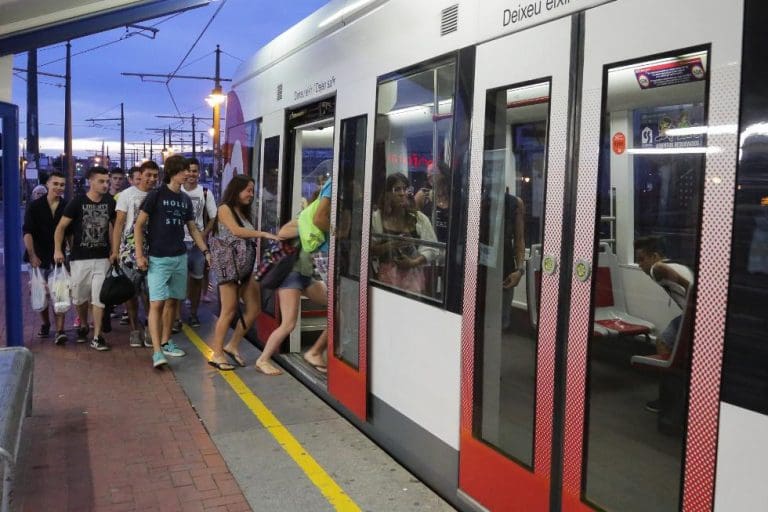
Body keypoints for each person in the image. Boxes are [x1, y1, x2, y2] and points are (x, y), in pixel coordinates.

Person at [134, 155, 211, 368]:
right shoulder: (156, 195)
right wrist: (140, 255)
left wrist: (205, 250)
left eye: (189, 170)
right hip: (158, 258)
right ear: (173, 172)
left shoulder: (184, 199)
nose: (188, 173)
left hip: (180, 256)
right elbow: (139, 225)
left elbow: (193, 228)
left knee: (173, 301)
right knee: (156, 302)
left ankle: (167, 342)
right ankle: (157, 351)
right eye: (184, 170)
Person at [207, 175, 278, 371]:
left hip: (245, 269)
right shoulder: (224, 209)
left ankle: (233, 344)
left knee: (254, 308)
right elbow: (236, 231)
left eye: (252, 190)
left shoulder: (244, 212)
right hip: (229, 269)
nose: (251, 194)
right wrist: (262, 234)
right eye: (248, 190)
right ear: (236, 190)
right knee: (228, 310)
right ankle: (217, 353)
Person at [53, 166, 117, 351]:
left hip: (102, 258)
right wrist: (58, 250)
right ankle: (83, 325)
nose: (105, 185)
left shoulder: (110, 202)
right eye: (101, 181)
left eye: (107, 181)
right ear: (91, 181)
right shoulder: (77, 202)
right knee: (80, 298)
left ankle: (97, 336)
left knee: (99, 298)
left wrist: (114, 250)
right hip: (79, 258)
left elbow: (113, 227)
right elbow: (61, 227)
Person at [634, 236, 694, 412]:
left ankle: (669, 401)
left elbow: (664, 270)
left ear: (654, 256)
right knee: (666, 340)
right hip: (688, 315)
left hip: (693, 315)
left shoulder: (656, 268)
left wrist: (692, 292)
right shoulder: (677, 263)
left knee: (664, 343)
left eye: (641, 260)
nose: (639, 265)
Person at [112, 160, 160, 347]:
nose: (151, 179)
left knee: (151, 294)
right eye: (148, 175)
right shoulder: (127, 195)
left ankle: (149, 328)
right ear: (140, 174)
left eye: (155, 176)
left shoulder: (158, 195)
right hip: (129, 251)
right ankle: (134, 330)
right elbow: (119, 224)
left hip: (154, 250)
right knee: (131, 293)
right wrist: (115, 251)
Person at [371, 172, 438, 295]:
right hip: (386, 280)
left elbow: (433, 248)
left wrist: (413, 262)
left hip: (413, 279)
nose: (402, 193)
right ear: (387, 194)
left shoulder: (419, 218)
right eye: (397, 189)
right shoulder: (377, 218)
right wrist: (391, 245)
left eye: (405, 189)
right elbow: (369, 249)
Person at [23, 172, 67, 343]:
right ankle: (46, 323)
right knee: (40, 296)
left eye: (62, 185)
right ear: (47, 184)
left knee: (60, 294)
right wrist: (32, 255)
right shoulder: (34, 206)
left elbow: (69, 234)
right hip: (38, 257)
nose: (59, 187)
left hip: (58, 258)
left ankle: (60, 331)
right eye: (55, 183)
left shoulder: (66, 206)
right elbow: (27, 232)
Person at [177, 157, 217, 329]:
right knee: (179, 283)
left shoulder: (205, 192)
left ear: (198, 173)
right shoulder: (175, 191)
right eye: (189, 170)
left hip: (197, 246)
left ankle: (193, 314)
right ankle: (178, 317)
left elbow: (213, 217)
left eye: (195, 170)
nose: (192, 174)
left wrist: (203, 235)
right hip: (177, 244)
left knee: (196, 281)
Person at [302, 177, 332, 372]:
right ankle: (315, 351)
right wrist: (344, 233)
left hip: (331, 250)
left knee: (341, 308)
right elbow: (319, 218)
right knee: (342, 310)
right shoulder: (335, 184)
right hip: (327, 249)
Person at [502, 192, 526, 330]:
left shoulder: (514, 203)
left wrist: (520, 270)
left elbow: (519, 239)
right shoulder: (477, 198)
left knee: (502, 323)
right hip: (479, 271)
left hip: (505, 271)